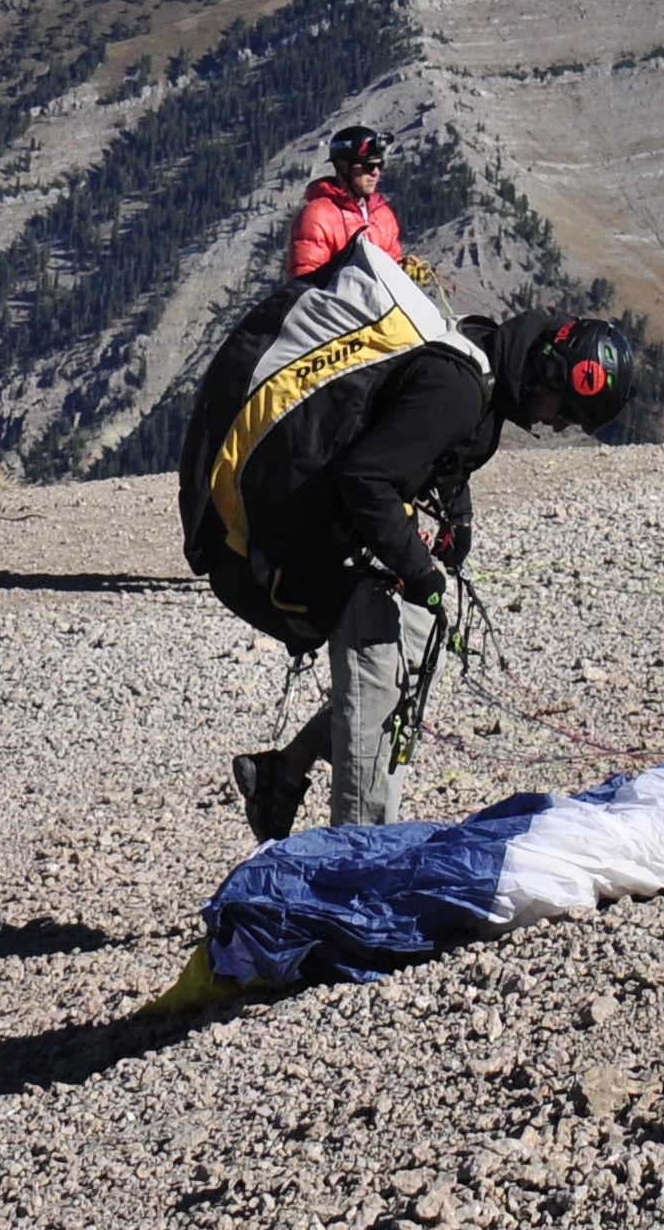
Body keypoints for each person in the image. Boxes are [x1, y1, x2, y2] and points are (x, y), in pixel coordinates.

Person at [188, 277, 630, 838]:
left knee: (407, 677)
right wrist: (418, 570)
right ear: (547, 373)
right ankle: (354, 883)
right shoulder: (462, 389)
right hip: (349, 558)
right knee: (375, 715)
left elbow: (434, 449)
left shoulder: (482, 360)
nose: (557, 423)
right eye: (565, 410)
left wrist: (456, 519)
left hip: (361, 547)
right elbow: (366, 478)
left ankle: (284, 772)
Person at [286, 125, 403, 280]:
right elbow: (304, 284)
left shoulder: (383, 216)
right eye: (368, 165)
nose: (376, 172)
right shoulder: (317, 216)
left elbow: (393, 275)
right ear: (343, 166)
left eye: (379, 165)